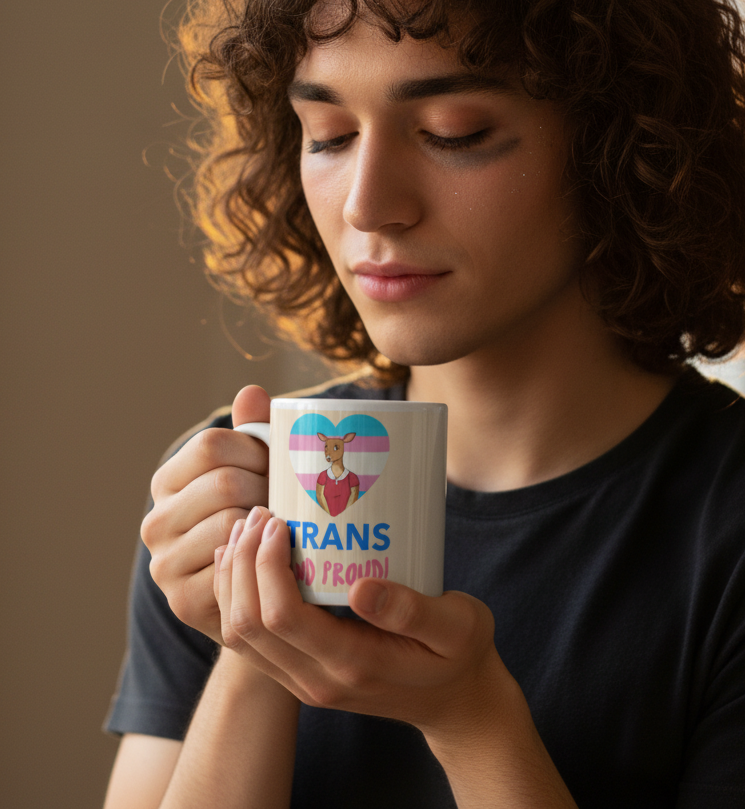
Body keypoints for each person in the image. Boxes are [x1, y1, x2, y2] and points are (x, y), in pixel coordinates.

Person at [103, 0, 745, 807]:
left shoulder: (723, 529)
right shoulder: (230, 488)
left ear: (620, 145)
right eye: (329, 136)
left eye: (453, 132)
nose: (368, 206)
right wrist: (255, 648)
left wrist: (472, 722)